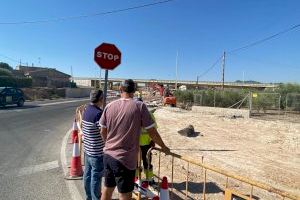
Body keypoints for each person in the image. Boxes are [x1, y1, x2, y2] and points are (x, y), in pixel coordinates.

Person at [99, 79, 170, 200]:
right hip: (124, 159)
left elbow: (103, 131)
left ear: (120, 89)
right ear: (134, 91)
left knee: (107, 189)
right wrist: (164, 147)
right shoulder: (139, 106)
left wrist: (109, 144)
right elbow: (152, 132)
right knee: (125, 194)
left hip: (108, 155)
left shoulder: (109, 106)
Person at [82, 90, 105, 200]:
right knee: (96, 177)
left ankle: (89, 197)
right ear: (100, 99)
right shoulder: (98, 113)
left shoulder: (86, 110)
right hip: (97, 153)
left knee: (87, 175)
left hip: (87, 150)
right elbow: (103, 132)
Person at [135, 97, 156, 183]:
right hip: (137, 144)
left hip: (146, 144)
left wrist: (153, 141)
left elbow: (154, 129)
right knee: (136, 163)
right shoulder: (134, 114)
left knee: (146, 162)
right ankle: (136, 179)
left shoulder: (149, 114)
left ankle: (149, 179)